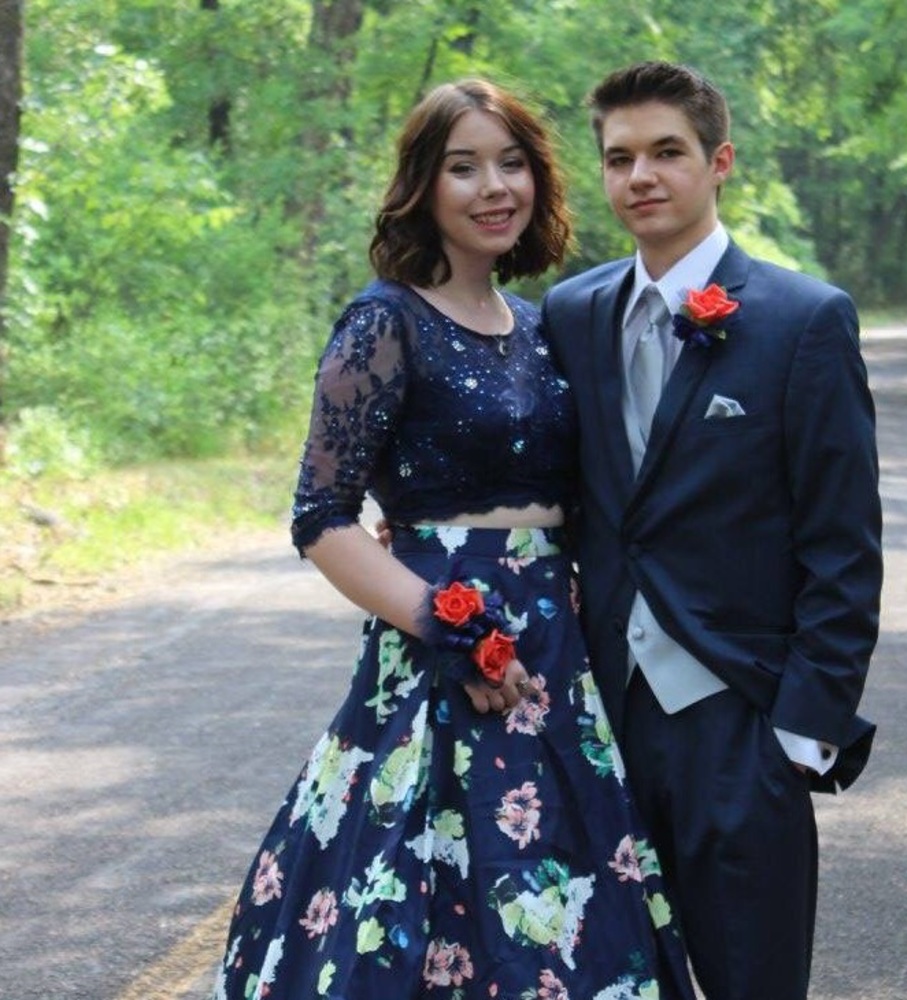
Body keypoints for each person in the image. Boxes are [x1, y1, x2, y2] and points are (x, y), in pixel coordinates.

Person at [211, 78, 695, 1000]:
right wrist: (449, 626)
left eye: (512, 164)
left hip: (556, 652)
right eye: (463, 168)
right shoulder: (385, 322)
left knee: (565, 892)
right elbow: (320, 517)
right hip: (441, 643)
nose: (493, 188)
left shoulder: (545, 327)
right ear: (423, 186)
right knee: (428, 888)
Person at [541, 61, 883, 1000]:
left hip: (742, 723)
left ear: (719, 161)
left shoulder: (803, 321)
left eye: (667, 152)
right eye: (619, 158)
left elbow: (843, 545)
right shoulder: (571, 314)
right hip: (599, 723)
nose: (641, 176)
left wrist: (801, 735)